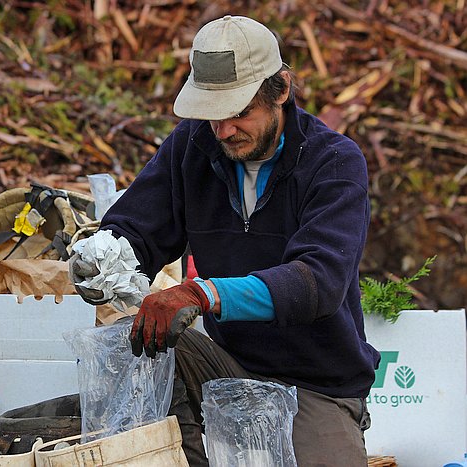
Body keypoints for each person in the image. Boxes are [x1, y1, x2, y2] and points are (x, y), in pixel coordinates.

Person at [70, 14, 380, 466]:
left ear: (282, 91)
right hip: (228, 369)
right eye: (213, 114)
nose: (224, 130)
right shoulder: (193, 146)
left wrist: (202, 293)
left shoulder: (333, 161)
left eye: (239, 112)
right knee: (130, 339)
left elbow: (318, 281)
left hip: (318, 386)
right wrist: (101, 257)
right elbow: (138, 229)